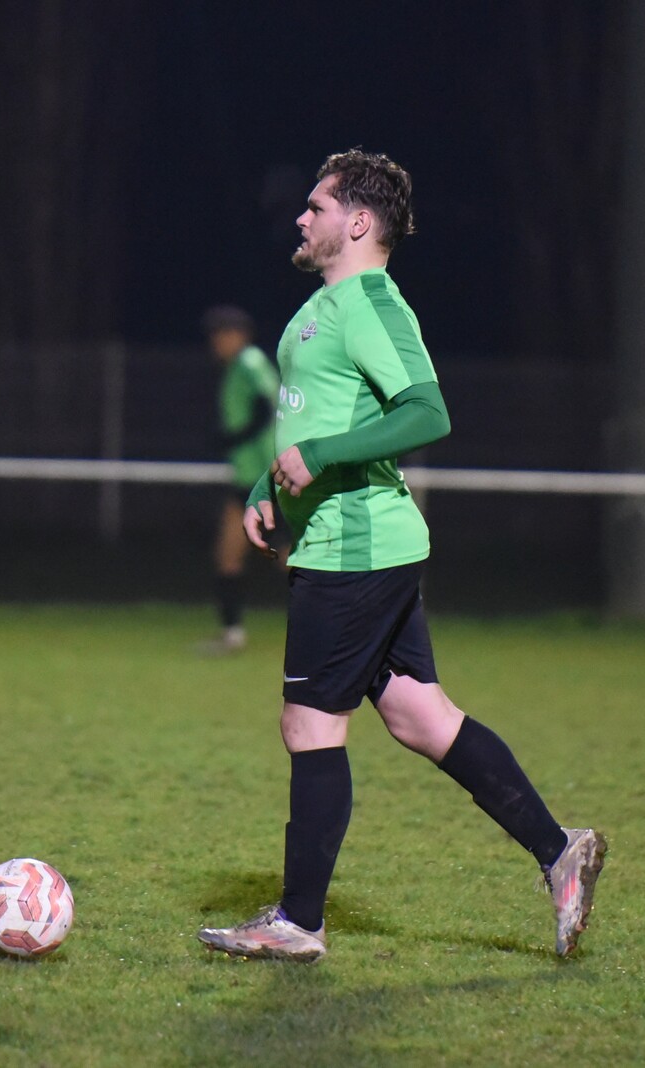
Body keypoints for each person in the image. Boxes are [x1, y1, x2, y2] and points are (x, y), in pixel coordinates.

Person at [196, 149, 607, 962]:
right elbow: (309, 426)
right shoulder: (325, 305)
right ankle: (561, 850)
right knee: (422, 717)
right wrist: (270, 488)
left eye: (317, 206)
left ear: (358, 222)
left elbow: (427, 412)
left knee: (310, 723)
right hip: (351, 542)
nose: (301, 217)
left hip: (356, 549)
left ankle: (299, 922)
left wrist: (320, 457)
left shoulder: (374, 304)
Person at [198, 304, 282, 653]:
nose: (217, 342)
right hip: (248, 477)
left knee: (292, 560)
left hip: (267, 477)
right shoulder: (236, 367)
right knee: (228, 554)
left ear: (240, 336)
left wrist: (233, 439)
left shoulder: (250, 362)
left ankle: (348, 625)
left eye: (223, 335)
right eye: (214, 336)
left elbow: (266, 407)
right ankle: (232, 634)